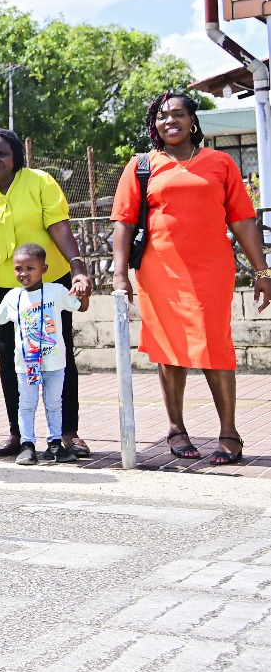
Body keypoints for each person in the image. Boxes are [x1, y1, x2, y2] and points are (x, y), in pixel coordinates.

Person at [112, 91, 270, 466]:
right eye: (162, 116)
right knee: (169, 348)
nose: (170, 121)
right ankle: (176, 428)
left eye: (178, 114)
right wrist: (119, 274)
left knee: (216, 346)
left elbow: (243, 220)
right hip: (158, 271)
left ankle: (229, 433)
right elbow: (124, 222)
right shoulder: (141, 165)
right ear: (154, 125)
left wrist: (262, 271)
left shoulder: (220, 162)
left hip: (211, 271)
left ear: (192, 120)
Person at [0, 128, 93, 459]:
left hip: (49, 282)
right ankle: (19, 434)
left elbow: (59, 227)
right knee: (11, 359)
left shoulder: (40, 182)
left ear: (16, 155)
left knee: (58, 354)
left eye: (2, 153)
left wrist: (77, 268)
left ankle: (69, 433)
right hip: (3, 287)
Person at [0, 243, 82, 465]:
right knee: (27, 404)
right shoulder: (13, 297)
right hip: (27, 363)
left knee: (54, 403)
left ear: (44, 269)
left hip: (54, 362)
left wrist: (84, 290)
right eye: (18, 269)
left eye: (30, 268)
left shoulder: (56, 291)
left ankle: (54, 445)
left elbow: (80, 306)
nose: (23, 273)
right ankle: (27, 445)